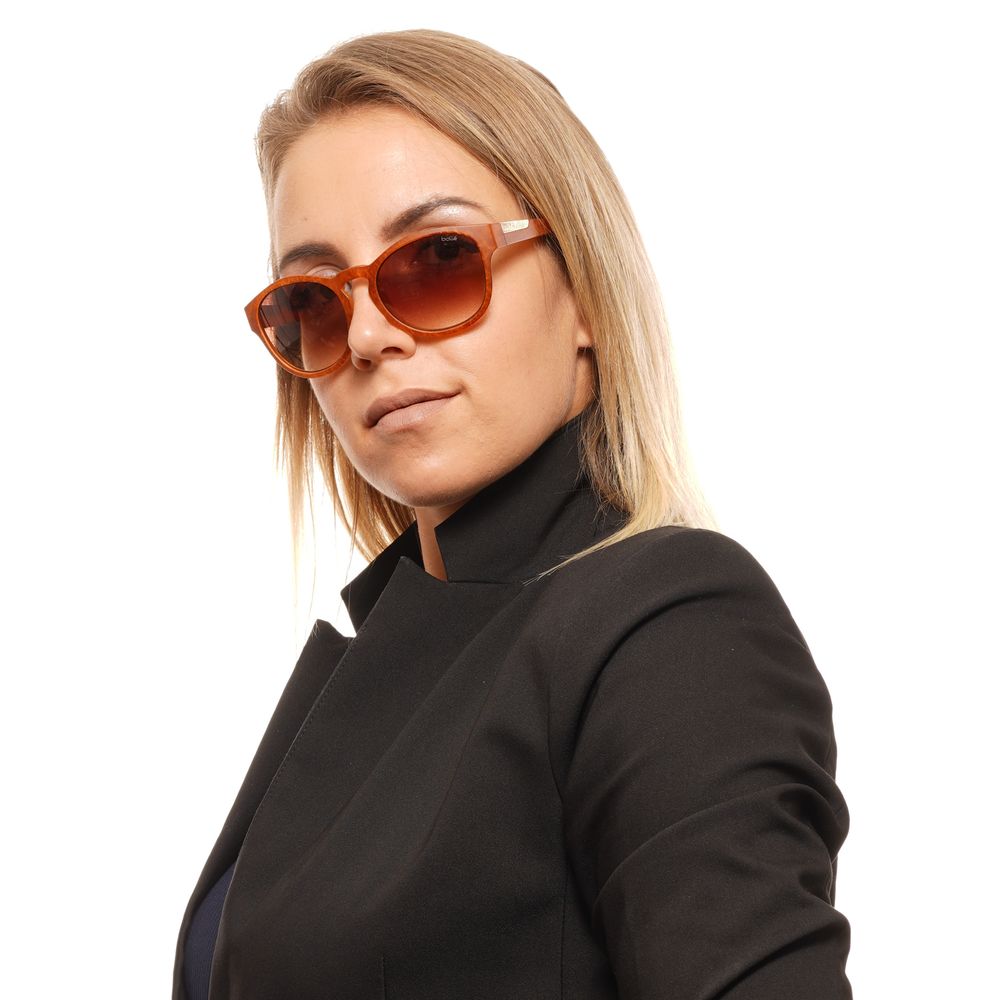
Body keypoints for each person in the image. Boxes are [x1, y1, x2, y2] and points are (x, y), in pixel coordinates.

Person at [173, 29, 852, 1000]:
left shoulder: (670, 624)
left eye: (438, 258)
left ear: (584, 294)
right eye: (314, 300)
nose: (368, 335)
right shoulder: (388, 654)